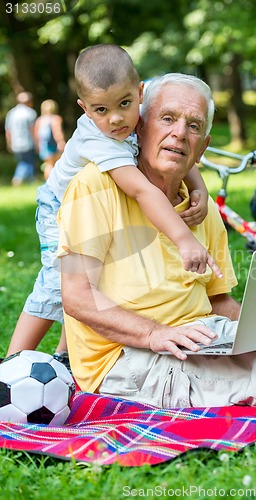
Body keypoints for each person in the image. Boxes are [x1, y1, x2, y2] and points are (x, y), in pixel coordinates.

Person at [58, 72, 256, 412]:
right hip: (129, 358)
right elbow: (76, 296)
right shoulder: (93, 186)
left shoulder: (201, 210)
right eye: (168, 118)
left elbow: (217, 300)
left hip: (203, 336)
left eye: (193, 125)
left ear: (202, 146)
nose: (179, 133)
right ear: (139, 126)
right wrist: (153, 334)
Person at [6, 45, 218, 370]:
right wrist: (184, 240)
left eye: (124, 104)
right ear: (85, 109)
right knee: (58, 282)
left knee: (98, 273)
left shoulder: (128, 119)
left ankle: (64, 353)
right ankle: (11, 365)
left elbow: (177, 148)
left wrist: (198, 186)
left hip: (92, 206)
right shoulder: (100, 139)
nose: (116, 118)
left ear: (140, 94)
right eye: (101, 110)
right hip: (57, 205)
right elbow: (142, 191)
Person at [5, 91, 37, 186]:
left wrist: (9, 143)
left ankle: (29, 181)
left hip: (16, 143)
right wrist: (37, 143)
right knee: (28, 162)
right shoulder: (30, 113)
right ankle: (19, 180)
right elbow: (33, 130)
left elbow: (8, 130)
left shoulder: (11, 113)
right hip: (28, 142)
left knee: (23, 161)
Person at [34, 99, 66, 180]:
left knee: (48, 164)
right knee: (56, 164)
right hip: (53, 144)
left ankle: (47, 182)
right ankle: (54, 181)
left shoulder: (39, 120)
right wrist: (61, 142)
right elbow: (57, 132)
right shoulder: (56, 119)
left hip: (43, 145)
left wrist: (37, 145)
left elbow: (36, 134)